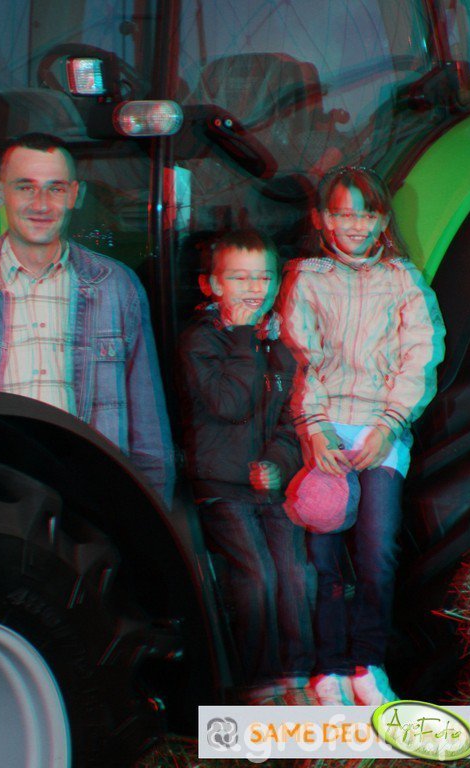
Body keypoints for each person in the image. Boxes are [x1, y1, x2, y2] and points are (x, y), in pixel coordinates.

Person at [0, 133, 174, 502]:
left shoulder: (117, 287)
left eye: (55, 188)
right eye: (25, 187)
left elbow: (148, 429)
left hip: (93, 500)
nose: (41, 204)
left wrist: (151, 515)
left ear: (74, 195)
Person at [280, 166, 445, 705]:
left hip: (381, 429)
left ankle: (367, 666)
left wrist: (389, 425)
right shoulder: (307, 277)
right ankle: (327, 668)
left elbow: (420, 354)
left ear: (380, 220)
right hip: (326, 427)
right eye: (343, 213)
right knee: (324, 553)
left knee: (377, 550)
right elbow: (302, 358)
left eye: (366, 214)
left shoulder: (402, 278)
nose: (355, 224)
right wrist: (317, 431)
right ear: (323, 219)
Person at [177, 229, 314, 705]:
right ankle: (259, 682)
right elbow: (228, 403)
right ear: (212, 285)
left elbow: (290, 419)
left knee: (295, 574)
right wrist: (241, 337)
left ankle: (296, 677)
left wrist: (278, 463)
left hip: (267, 486)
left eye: (264, 277)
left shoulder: (279, 343)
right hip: (221, 486)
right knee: (257, 576)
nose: (254, 288)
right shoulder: (201, 340)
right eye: (239, 278)